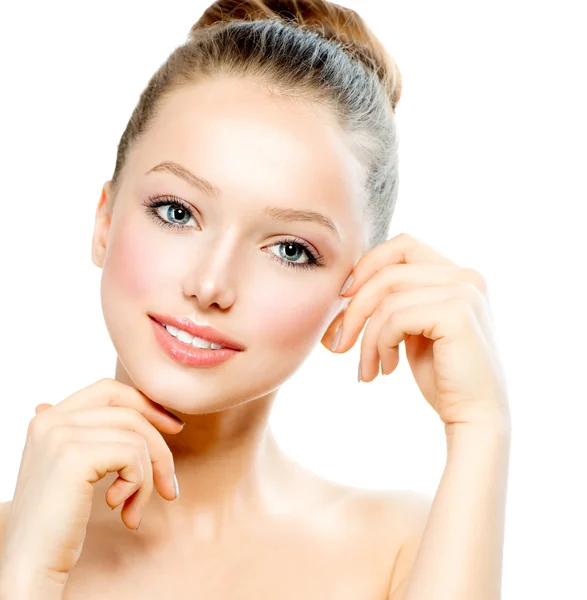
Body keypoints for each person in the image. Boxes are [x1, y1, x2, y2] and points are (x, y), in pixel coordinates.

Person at [0, 1, 511, 598]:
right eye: (177, 211)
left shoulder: (402, 551)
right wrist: (24, 573)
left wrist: (482, 427)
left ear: (355, 293)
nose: (211, 285)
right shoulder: (13, 547)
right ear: (105, 221)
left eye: (291, 250)